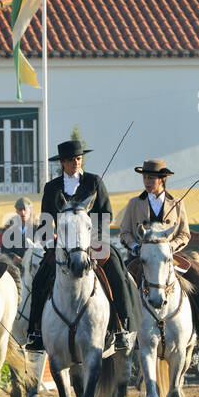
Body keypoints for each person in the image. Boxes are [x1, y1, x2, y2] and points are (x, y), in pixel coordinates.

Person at [25, 139, 134, 353]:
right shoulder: (52, 187)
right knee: (39, 281)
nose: (76, 163)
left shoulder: (94, 182)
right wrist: (50, 246)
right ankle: (35, 332)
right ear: (62, 163)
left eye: (78, 159)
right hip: (63, 245)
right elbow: (47, 220)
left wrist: (94, 241)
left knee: (116, 272)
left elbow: (106, 214)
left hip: (92, 242)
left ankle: (122, 328)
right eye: (71, 160)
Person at [119, 158, 199, 331]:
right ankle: (121, 330)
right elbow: (125, 233)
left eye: (151, 178)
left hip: (170, 255)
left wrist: (171, 246)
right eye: (145, 178)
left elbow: (185, 233)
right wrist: (136, 247)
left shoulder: (177, 203)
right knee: (121, 282)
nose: (147, 182)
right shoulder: (134, 203)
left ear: (162, 180)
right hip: (141, 256)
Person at [0, 197, 36, 262]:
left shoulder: (37, 229)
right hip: (15, 267)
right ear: (16, 211)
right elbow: (4, 251)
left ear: (30, 211)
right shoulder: (9, 229)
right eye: (20, 210)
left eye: (25, 209)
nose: (22, 212)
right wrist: (13, 256)